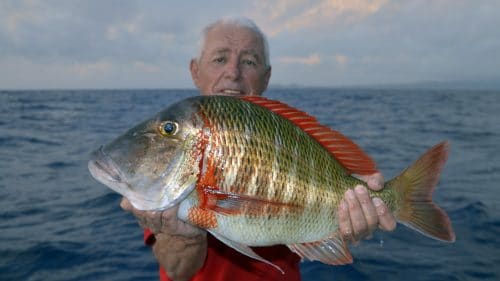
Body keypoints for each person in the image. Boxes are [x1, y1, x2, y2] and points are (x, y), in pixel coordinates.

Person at [120, 17, 396, 281]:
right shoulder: (168, 165)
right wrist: (182, 234)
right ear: (195, 70)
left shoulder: (289, 135)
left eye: (249, 61)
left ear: (266, 77)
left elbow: (320, 219)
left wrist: (350, 219)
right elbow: (178, 271)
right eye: (220, 58)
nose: (233, 72)